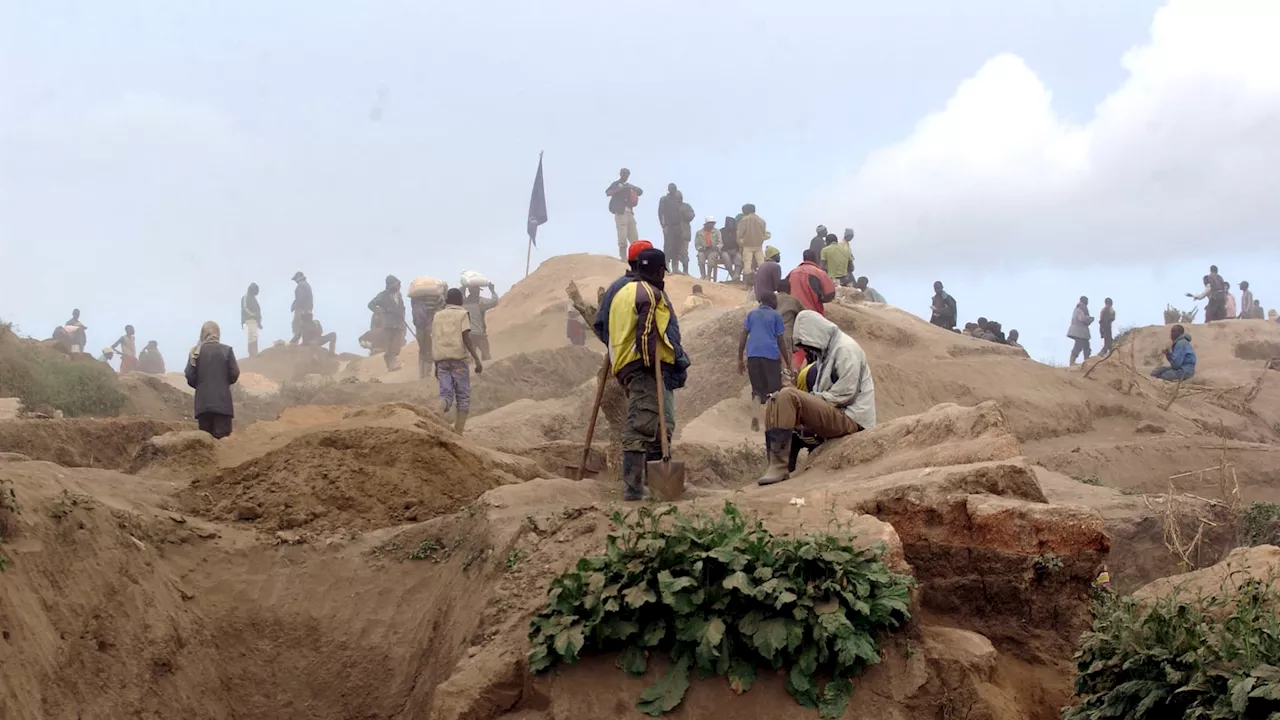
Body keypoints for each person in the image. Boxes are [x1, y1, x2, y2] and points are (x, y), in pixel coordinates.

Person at [599, 247, 689, 501]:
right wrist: (652, 366)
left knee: (655, 423)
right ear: (660, 271)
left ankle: (652, 483)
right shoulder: (649, 294)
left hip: (625, 363)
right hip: (643, 366)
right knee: (642, 422)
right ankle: (634, 489)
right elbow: (646, 333)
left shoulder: (622, 291)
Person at [757, 310, 875, 485]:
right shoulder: (827, 352)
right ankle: (776, 466)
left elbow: (846, 393)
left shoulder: (845, 349)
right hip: (838, 411)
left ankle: (779, 468)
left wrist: (810, 399)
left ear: (816, 333)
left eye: (807, 345)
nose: (808, 350)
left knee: (788, 395)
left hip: (852, 418)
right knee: (775, 399)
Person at [432, 288, 484, 432]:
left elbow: (436, 339)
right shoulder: (462, 315)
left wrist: (436, 365)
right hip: (458, 361)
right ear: (460, 299)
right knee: (463, 398)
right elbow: (466, 338)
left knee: (446, 395)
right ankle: (459, 433)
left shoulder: (437, 316)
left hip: (442, 361)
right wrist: (476, 359)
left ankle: (437, 412)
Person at [739, 291, 790, 432]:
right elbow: (780, 340)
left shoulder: (751, 314)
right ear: (772, 302)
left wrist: (739, 359)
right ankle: (772, 423)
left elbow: (743, 336)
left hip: (753, 356)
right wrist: (788, 362)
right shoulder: (776, 316)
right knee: (774, 391)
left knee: (757, 390)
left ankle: (755, 416)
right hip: (771, 356)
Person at [184, 321, 240, 440]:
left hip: (203, 406)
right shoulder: (227, 350)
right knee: (223, 445)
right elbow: (234, 373)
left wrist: (200, 385)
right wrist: (223, 383)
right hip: (223, 405)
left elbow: (189, 375)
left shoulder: (195, 352)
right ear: (218, 334)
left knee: (206, 445)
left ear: (202, 334)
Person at [369, 275, 407, 371]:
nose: (399, 286)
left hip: (398, 322)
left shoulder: (399, 295)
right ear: (391, 286)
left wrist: (402, 316)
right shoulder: (383, 295)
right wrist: (380, 311)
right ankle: (391, 365)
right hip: (388, 323)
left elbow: (402, 307)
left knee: (396, 345)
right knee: (389, 346)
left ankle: (392, 364)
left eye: (399, 284)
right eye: (397, 285)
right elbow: (371, 304)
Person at [606, 168, 643, 260]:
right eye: (624, 174)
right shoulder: (616, 184)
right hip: (621, 212)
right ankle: (623, 256)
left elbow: (640, 192)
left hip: (630, 212)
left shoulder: (629, 185)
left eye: (627, 174)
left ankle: (635, 256)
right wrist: (620, 189)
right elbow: (608, 192)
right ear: (621, 174)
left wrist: (632, 188)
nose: (626, 176)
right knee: (622, 234)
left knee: (633, 235)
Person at [786, 249, 837, 315]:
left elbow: (783, 289)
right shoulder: (820, 273)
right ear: (815, 258)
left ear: (804, 258)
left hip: (793, 312)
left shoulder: (792, 272)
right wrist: (820, 298)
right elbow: (830, 294)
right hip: (812, 313)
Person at [412, 286, 446, 379]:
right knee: (430, 349)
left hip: (419, 327)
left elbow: (414, 314)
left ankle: (422, 373)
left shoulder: (415, 298)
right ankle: (427, 373)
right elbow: (443, 308)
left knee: (422, 349)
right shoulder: (437, 296)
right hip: (430, 326)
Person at [463, 282, 500, 361]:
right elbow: (494, 302)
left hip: (468, 334)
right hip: (480, 334)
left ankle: (472, 372)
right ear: (477, 291)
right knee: (486, 356)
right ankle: (486, 371)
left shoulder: (464, 302)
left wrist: (463, 289)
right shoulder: (481, 302)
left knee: (470, 357)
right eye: (478, 290)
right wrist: (492, 290)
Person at [776, 278, 807, 371]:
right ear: (789, 289)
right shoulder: (793, 300)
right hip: (785, 334)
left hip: (769, 335)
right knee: (786, 366)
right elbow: (804, 314)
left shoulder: (771, 299)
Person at [736, 203, 768, 284]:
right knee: (761, 265)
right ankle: (762, 282)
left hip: (747, 246)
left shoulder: (744, 220)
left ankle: (747, 284)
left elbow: (739, 234)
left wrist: (741, 243)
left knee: (747, 266)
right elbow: (765, 233)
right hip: (759, 246)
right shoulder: (761, 220)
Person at [693, 216, 722, 281]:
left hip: (714, 250)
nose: (711, 225)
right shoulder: (699, 232)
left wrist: (716, 247)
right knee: (700, 256)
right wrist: (701, 248)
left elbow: (720, 243)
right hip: (704, 250)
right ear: (706, 224)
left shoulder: (717, 231)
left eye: (712, 223)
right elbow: (697, 244)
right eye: (710, 223)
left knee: (711, 257)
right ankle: (703, 274)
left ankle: (708, 276)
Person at [1068, 296, 1094, 366]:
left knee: (1086, 346)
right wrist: (1090, 319)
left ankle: (1086, 362)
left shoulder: (1078, 308)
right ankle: (1072, 363)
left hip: (1080, 331)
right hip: (1080, 331)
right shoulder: (1082, 308)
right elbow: (1082, 318)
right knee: (1078, 346)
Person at [289, 272, 313, 344]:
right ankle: (305, 343)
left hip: (301, 309)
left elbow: (301, 299)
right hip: (307, 309)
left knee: (296, 325)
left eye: (295, 279)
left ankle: (295, 344)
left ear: (298, 278)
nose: (295, 281)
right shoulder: (307, 285)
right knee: (305, 327)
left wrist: (297, 307)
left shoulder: (301, 286)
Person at [241, 282, 263, 357]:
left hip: (254, 319)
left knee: (252, 335)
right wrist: (252, 314)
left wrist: (259, 322)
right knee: (253, 334)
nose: (256, 292)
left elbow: (257, 310)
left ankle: (251, 353)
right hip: (250, 319)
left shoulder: (253, 298)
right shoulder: (246, 297)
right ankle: (254, 352)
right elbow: (244, 308)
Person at [719, 216, 741, 282]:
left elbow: (739, 242)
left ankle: (736, 274)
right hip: (725, 250)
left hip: (735, 250)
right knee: (726, 259)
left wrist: (736, 249)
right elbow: (720, 242)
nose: (731, 224)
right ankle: (733, 275)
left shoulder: (737, 231)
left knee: (739, 258)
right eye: (729, 223)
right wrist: (726, 249)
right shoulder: (721, 231)